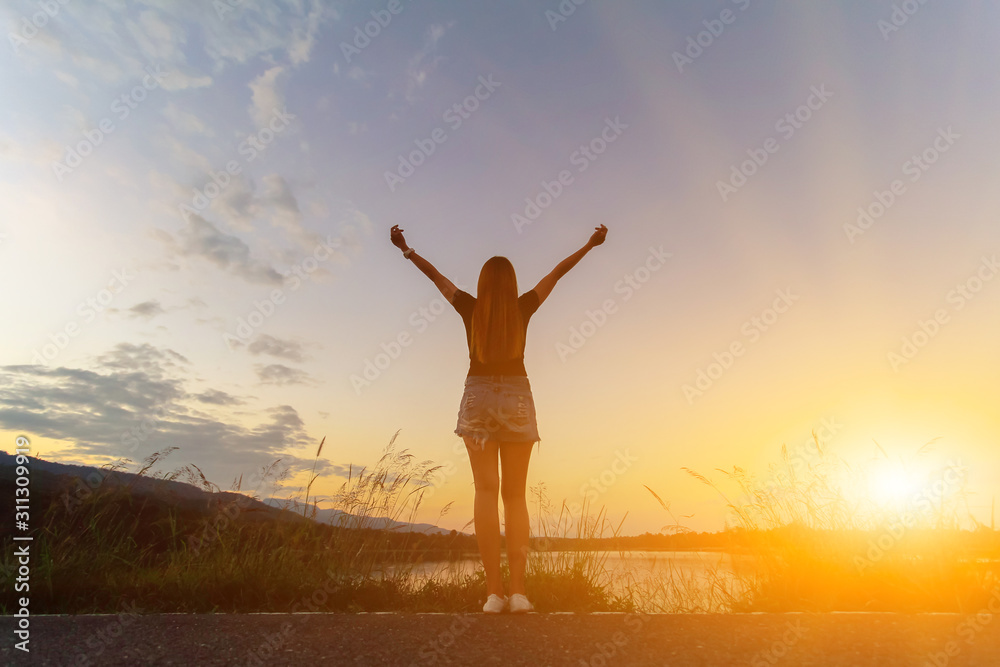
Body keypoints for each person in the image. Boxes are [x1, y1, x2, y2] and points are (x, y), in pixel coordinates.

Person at [389, 223, 608, 613]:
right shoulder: (523, 306)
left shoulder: (469, 307)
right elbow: (557, 272)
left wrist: (406, 249)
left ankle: (494, 594)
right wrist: (590, 245)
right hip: (516, 398)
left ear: (483, 284)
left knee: (486, 492)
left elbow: (435, 276)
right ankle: (519, 593)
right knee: (515, 496)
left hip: (477, 397)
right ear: (511, 284)